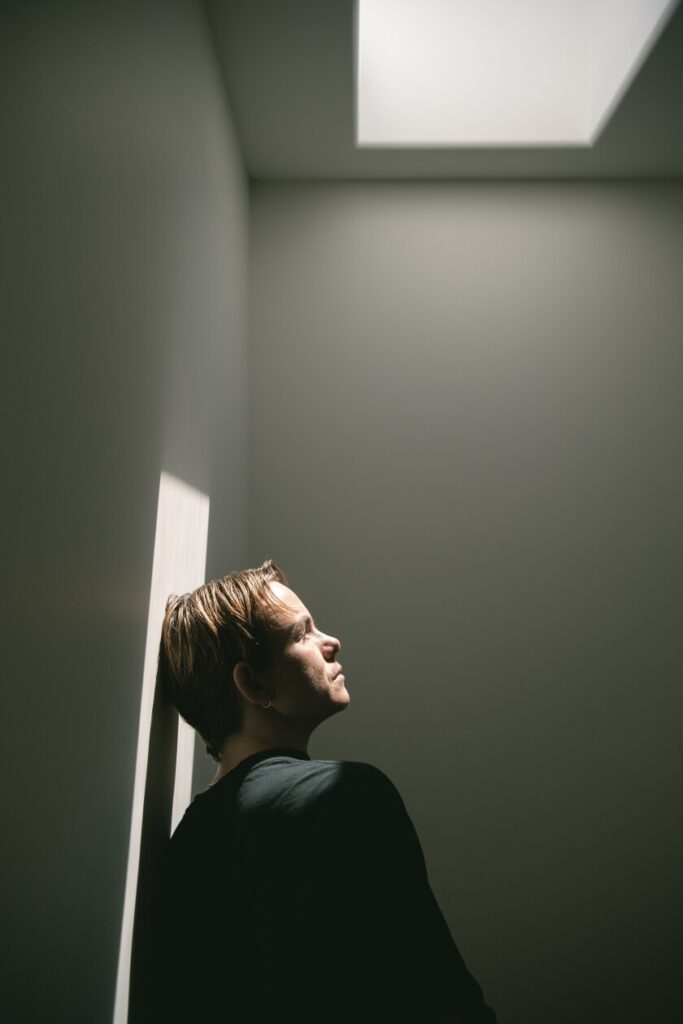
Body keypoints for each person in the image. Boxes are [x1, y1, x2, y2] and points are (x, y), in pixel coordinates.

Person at [137, 559, 497, 1023]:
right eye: (301, 634)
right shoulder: (347, 796)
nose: (331, 642)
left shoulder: (185, 845)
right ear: (251, 682)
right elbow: (436, 996)